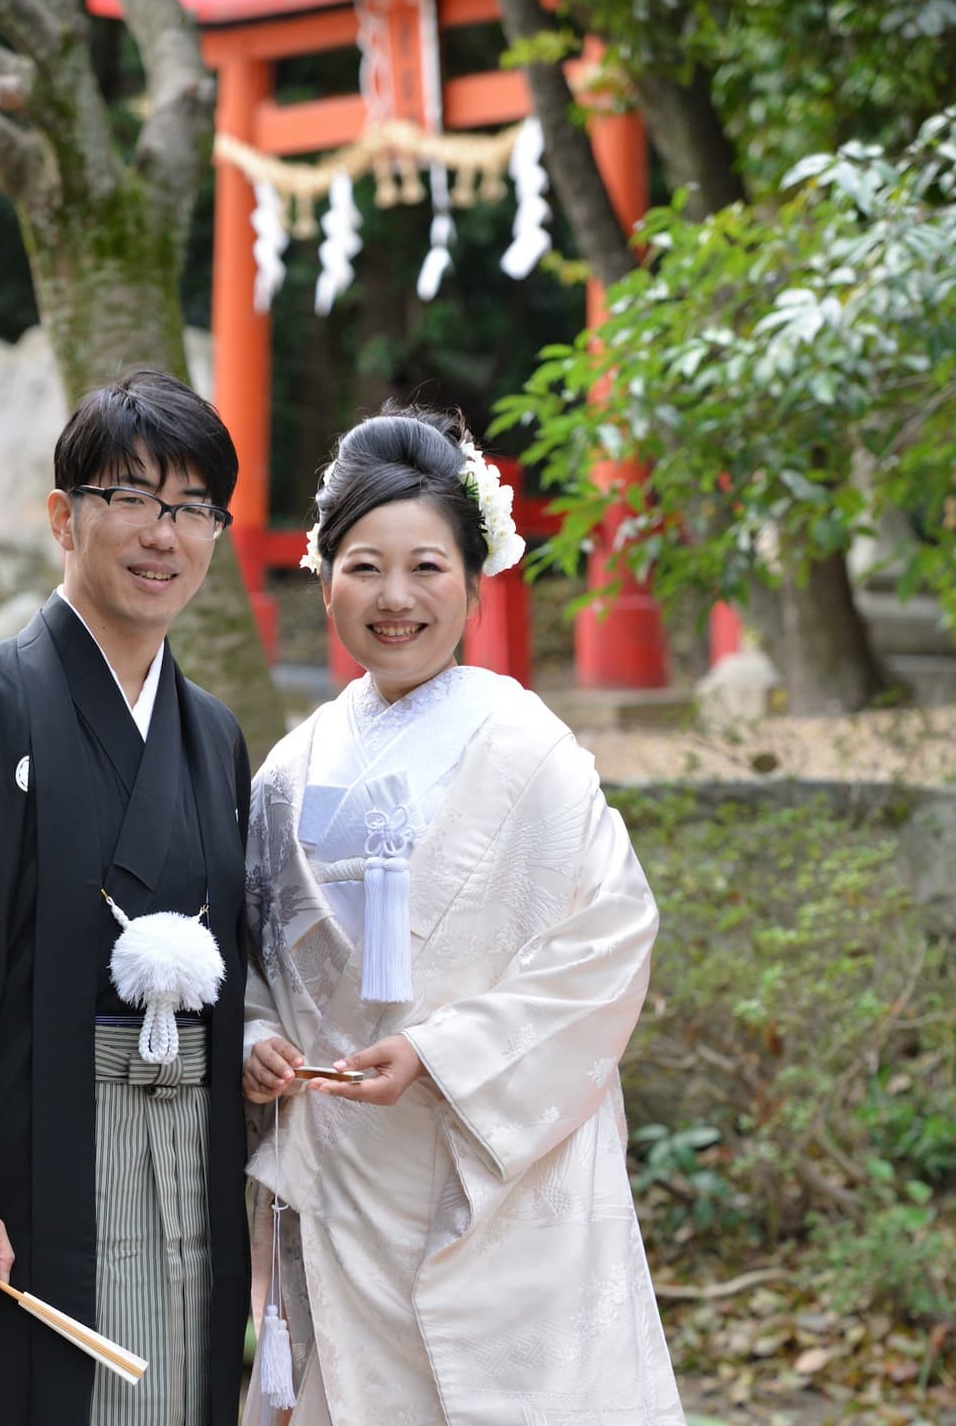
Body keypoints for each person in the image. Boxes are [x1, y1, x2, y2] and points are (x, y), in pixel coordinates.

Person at [240, 404, 684, 1425]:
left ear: (474, 581)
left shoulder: (529, 750)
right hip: (349, 1175)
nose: (395, 598)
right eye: (364, 566)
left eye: (427, 567)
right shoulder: (288, 771)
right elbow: (253, 951)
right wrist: (258, 1036)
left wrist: (442, 1055)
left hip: (502, 1172)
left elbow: (611, 942)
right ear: (322, 575)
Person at [0, 368, 251, 1426]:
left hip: (181, 1179)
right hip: (13, 1180)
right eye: (130, 499)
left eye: (191, 507)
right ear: (64, 517)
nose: (163, 533)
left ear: (216, 533)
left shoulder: (213, 737)